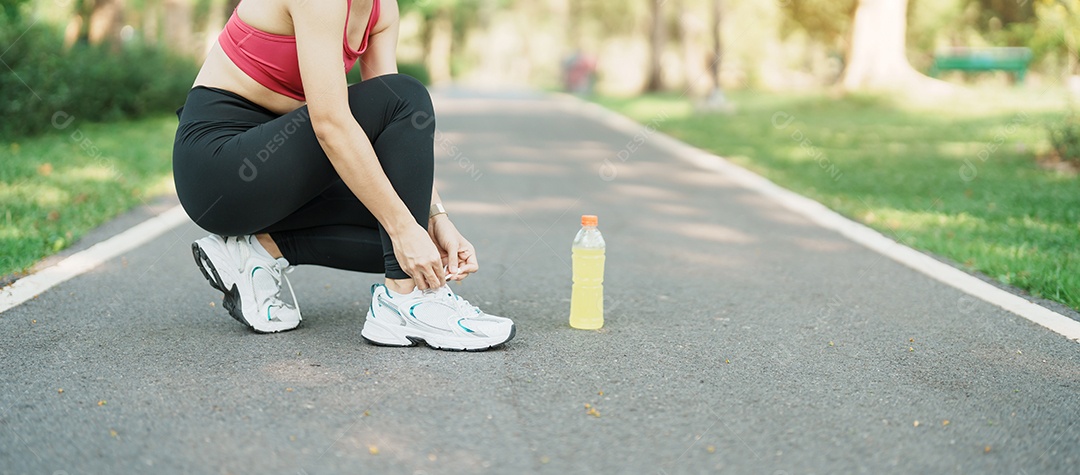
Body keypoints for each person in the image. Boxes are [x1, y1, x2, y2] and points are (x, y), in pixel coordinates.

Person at [171, 0, 515, 351]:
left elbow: (398, 138)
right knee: (406, 113)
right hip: (221, 170)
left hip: (280, 168)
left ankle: (258, 251)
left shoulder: (383, 10)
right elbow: (333, 124)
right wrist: (404, 229)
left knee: (416, 230)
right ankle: (407, 302)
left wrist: (435, 217)